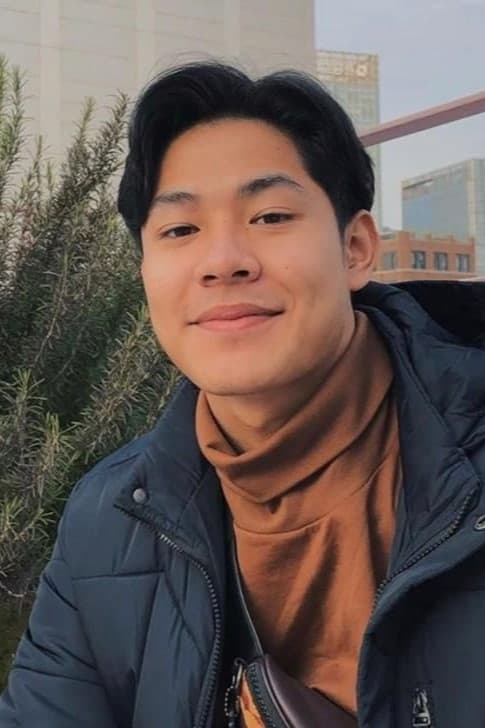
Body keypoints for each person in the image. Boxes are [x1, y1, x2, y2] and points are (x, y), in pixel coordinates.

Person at [1, 61, 485, 728]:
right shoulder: (109, 521)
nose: (223, 261)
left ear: (355, 248)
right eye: (180, 230)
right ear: (144, 272)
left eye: (270, 215)